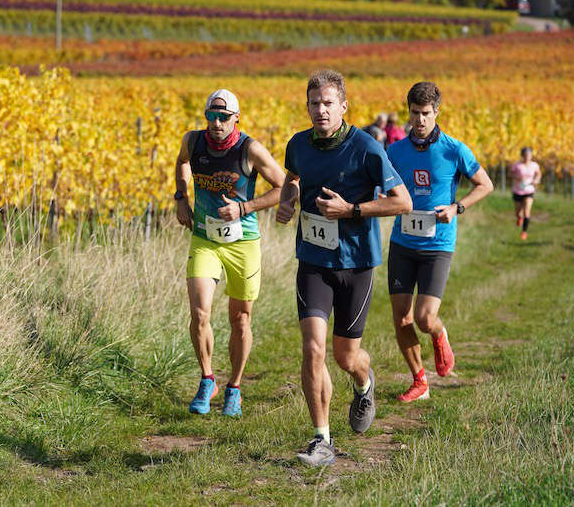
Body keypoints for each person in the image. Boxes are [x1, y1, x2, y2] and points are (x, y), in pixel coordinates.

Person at [276, 70, 412, 466]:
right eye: (314, 103)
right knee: (313, 348)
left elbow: (401, 202)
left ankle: (364, 382)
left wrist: (351, 209)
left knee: (344, 356)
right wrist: (288, 201)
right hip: (313, 261)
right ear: (307, 106)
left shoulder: (366, 147)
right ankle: (322, 440)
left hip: (356, 264)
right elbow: (293, 178)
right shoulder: (297, 145)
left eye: (328, 103)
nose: (320, 110)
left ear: (343, 107)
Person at [174, 89, 284, 417]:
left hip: (242, 243)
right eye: (211, 116)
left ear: (236, 118)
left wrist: (245, 207)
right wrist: (181, 197)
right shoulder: (194, 142)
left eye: (224, 117)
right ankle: (208, 379)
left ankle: (234, 387)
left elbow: (284, 187)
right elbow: (181, 163)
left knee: (240, 319)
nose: (217, 123)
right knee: (200, 312)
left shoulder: (249, 149)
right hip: (205, 238)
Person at [386, 82, 494, 402]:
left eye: (425, 114)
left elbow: (485, 184)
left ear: (437, 112)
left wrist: (456, 207)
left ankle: (438, 332)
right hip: (402, 242)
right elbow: (381, 187)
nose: (419, 120)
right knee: (401, 318)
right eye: (414, 113)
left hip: (437, 245)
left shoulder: (454, 149)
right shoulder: (394, 151)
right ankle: (420, 380)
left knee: (424, 318)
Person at [510, 146, 541, 240]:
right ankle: (520, 218)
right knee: (518, 213)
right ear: (522, 156)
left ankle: (524, 232)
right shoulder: (517, 165)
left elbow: (539, 173)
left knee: (527, 211)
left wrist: (536, 180)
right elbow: (510, 174)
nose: (527, 157)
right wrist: (518, 178)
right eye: (525, 155)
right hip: (517, 191)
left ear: (531, 156)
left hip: (529, 191)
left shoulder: (534, 165)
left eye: (529, 155)